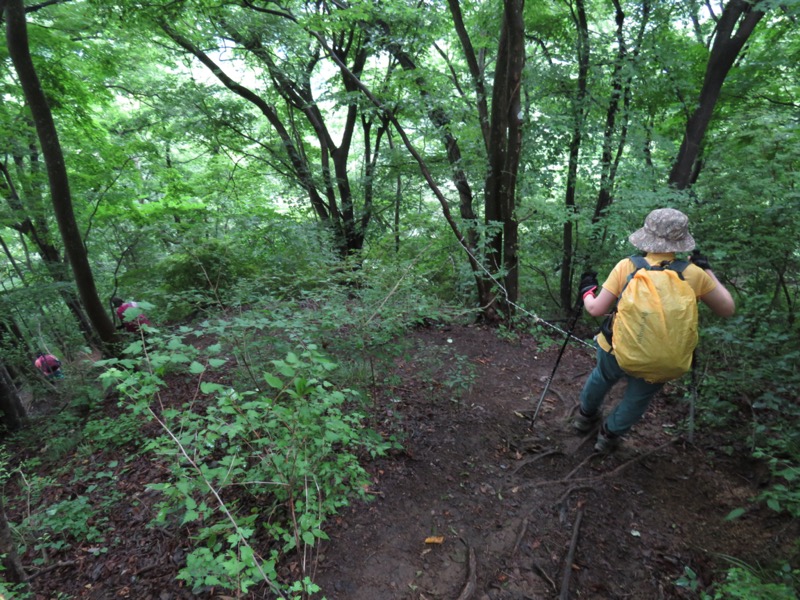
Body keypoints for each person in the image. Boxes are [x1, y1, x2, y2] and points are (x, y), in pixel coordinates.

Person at [574, 208, 735, 452]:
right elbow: (727, 308)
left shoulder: (627, 266)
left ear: (646, 235)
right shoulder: (693, 274)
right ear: (681, 241)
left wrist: (587, 290)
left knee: (603, 377)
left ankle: (585, 418)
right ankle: (608, 437)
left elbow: (596, 309)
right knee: (638, 398)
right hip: (664, 356)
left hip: (617, 348)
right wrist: (707, 269)